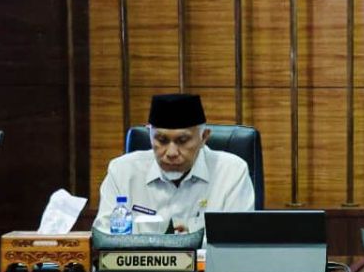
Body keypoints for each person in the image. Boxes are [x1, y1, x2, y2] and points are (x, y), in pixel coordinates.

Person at [94, 93, 255, 233]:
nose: (171, 153)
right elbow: (105, 236)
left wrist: (194, 241)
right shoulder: (122, 171)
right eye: (161, 140)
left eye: (182, 140)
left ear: (204, 137)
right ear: (149, 135)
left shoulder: (231, 172)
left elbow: (237, 241)